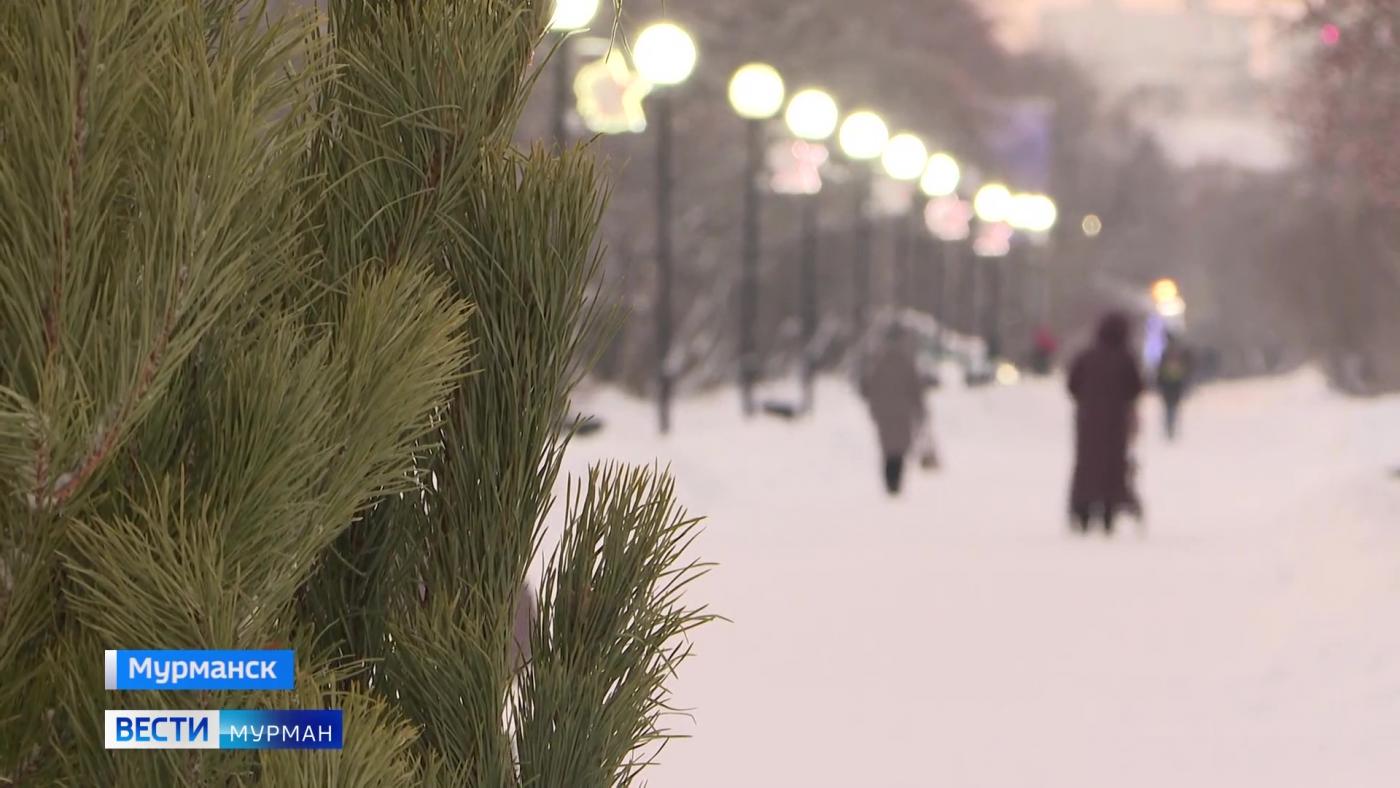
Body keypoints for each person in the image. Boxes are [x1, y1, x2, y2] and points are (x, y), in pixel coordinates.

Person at [1067, 312, 1144, 533]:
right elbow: (1136, 388)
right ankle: (1108, 511)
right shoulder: (1125, 358)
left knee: (1087, 465)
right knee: (1112, 466)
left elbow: (1072, 384)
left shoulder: (1086, 356)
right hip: (1116, 423)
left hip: (1088, 422)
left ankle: (1082, 509)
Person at [859, 324, 928, 495]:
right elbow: (915, 389)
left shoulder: (878, 362)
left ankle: (890, 482)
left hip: (884, 413)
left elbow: (867, 387)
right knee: (899, 448)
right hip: (901, 413)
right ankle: (895, 482)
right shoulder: (905, 362)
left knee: (888, 448)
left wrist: (874, 406)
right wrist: (920, 410)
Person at [1155, 334, 1194, 440]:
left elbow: (1160, 370)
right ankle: (1171, 427)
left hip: (1169, 385)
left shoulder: (1166, 353)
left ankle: (1170, 427)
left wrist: (1158, 383)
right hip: (1175, 384)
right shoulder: (1178, 353)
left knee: (1169, 408)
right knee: (1173, 408)